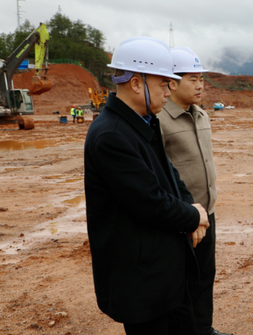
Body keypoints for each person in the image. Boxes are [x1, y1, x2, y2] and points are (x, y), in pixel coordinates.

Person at [84, 36, 209, 335]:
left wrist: (191, 206)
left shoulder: (142, 122)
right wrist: (194, 216)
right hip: (141, 281)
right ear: (136, 83)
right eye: (164, 84)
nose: (169, 91)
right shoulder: (111, 135)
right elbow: (149, 201)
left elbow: (171, 176)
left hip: (162, 272)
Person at [157, 47, 230, 335]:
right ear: (172, 83)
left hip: (207, 213)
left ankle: (204, 328)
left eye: (201, 79)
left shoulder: (201, 116)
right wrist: (183, 214)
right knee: (183, 283)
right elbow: (161, 175)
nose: (200, 85)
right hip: (182, 218)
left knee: (205, 276)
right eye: (193, 79)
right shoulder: (160, 120)